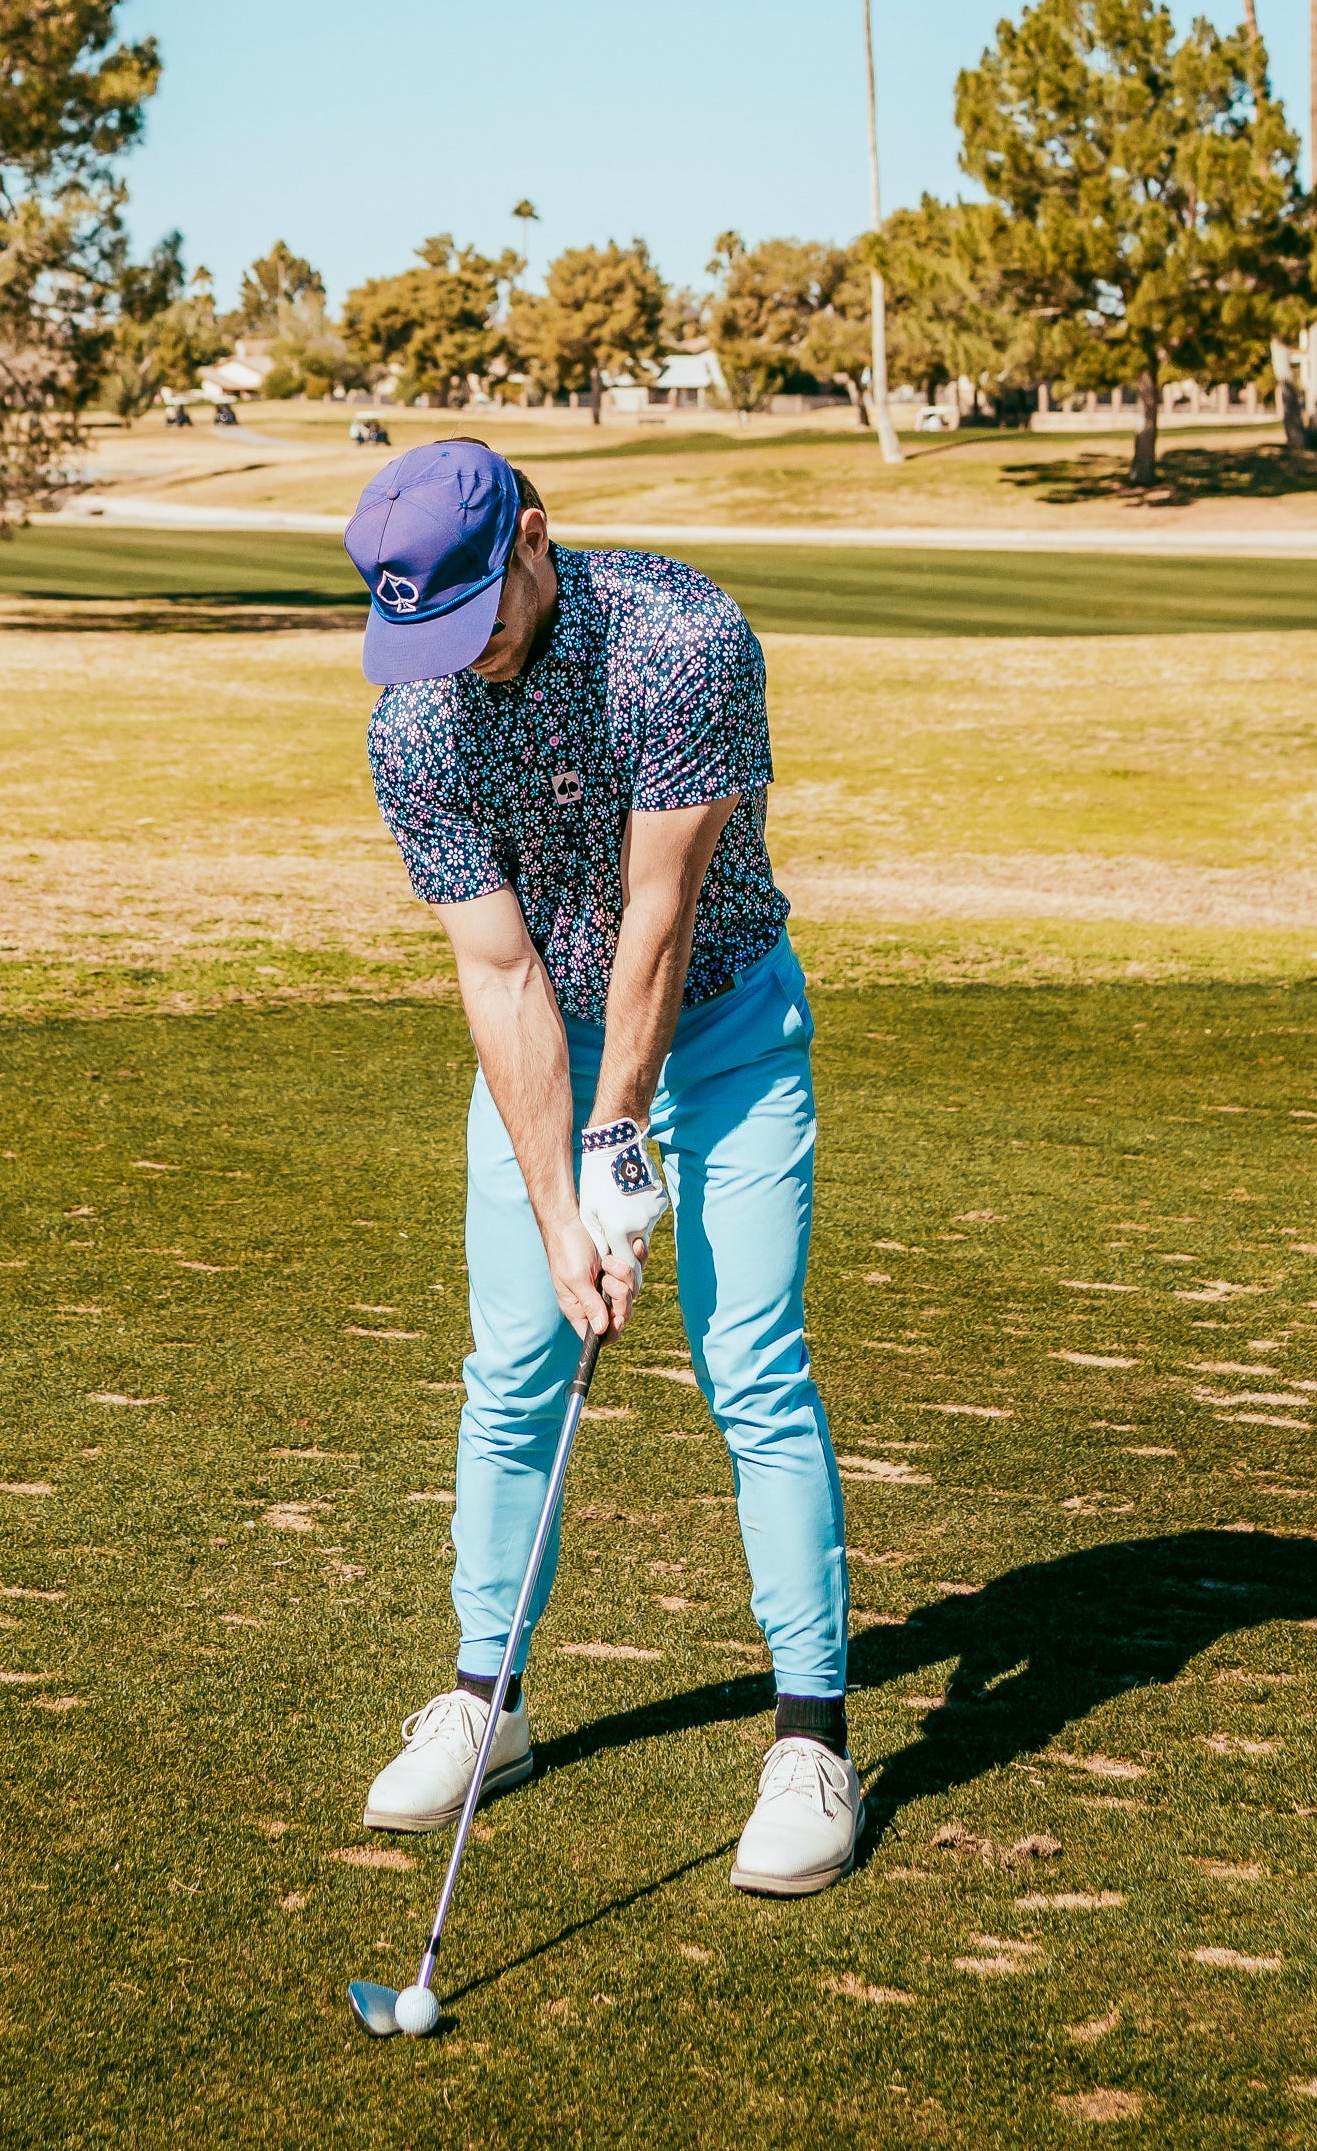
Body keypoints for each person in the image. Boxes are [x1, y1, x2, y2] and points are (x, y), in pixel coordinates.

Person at [345, 437, 856, 1895]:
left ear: (534, 542)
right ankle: (485, 1702)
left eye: (478, 616)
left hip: (727, 1029)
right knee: (511, 1364)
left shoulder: (682, 644)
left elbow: (659, 915)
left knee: (750, 1358)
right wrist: (563, 1201)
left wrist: (620, 1147)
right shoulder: (415, 724)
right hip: (545, 1053)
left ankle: (811, 1739)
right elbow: (501, 977)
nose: (461, 657)